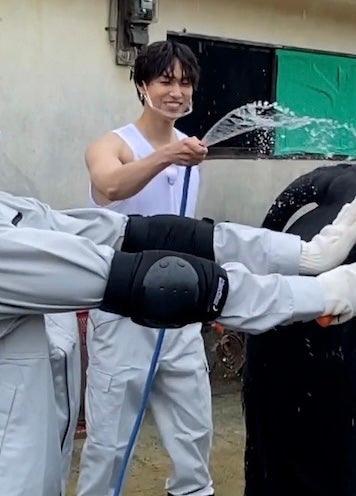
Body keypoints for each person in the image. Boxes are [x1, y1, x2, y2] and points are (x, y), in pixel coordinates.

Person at [0, 188, 356, 496]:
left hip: (34, 469)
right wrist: (314, 294)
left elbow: (142, 234)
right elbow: (161, 284)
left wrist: (303, 254)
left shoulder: (10, 210)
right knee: (109, 452)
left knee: (192, 440)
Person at [75, 39, 219, 496]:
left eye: (185, 82)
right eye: (164, 81)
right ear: (142, 86)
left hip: (178, 311)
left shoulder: (190, 150)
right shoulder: (113, 144)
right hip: (121, 311)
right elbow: (109, 186)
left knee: (194, 434)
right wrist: (165, 157)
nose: (176, 91)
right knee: (109, 443)